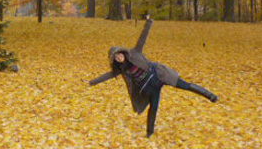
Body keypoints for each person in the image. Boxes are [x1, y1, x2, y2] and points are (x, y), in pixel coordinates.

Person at [88, 17, 218, 138]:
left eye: (119, 55)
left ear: (122, 52)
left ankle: (211, 96)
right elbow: (106, 76)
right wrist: (91, 82)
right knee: (153, 107)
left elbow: (142, 38)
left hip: (159, 74)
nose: (119, 58)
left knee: (186, 85)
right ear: (115, 60)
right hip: (149, 87)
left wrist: (149, 22)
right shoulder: (121, 69)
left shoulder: (135, 52)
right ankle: (149, 133)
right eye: (116, 58)